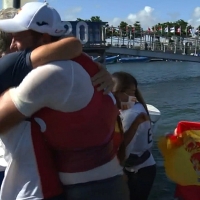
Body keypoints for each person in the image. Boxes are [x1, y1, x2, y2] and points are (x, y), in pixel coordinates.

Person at [0, 2, 128, 200]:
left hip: (90, 190)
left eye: (18, 37)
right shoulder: (82, 63)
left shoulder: (51, 74)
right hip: (105, 181)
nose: (12, 46)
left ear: (43, 38)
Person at [112, 71, 156, 200]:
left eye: (133, 93)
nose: (133, 97)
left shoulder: (131, 114)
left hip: (138, 170)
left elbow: (125, 148)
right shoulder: (137, 108)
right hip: (144, 165)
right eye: (129, 93)